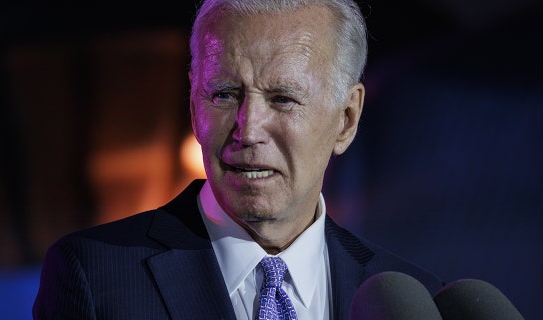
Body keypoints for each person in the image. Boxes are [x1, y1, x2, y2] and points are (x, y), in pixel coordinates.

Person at [33, 0, 444, 319]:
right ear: (194, 106)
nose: (247, 130)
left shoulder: (418, 306)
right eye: (226, 95)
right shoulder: (95, 276)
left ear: (346, 119)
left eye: (283, 99)